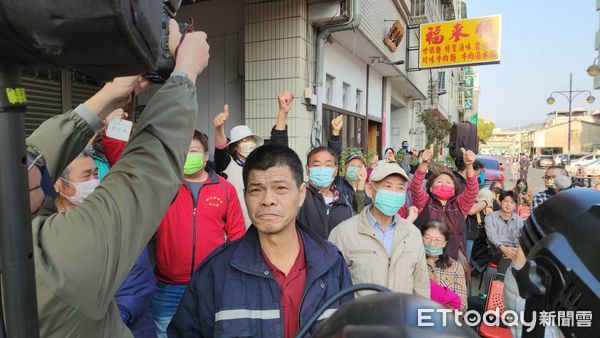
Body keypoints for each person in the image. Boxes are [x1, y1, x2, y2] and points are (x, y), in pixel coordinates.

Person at [25, 20, 210, 337]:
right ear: (59, 186)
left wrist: (110, 95)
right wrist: (185, 75)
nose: (95, 181)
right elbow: (144, 174)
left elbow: (32, 166)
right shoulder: (51, 260)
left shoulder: (25, 232)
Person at [168, 144, 354, 338]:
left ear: (301, 194)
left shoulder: (332, 265)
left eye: (280, 188)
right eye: (256, 190)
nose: (268, 200)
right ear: (245, 195)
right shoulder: (216, 271)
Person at [148, 130, 246, 337]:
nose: (187, 156)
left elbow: (237, 234)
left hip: (210, 283)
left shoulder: (224, 189)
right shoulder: (163, 187)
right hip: (168, 286)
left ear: (205, 154)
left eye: (192, 151)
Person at [54, 151, 157, 338]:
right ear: (59, 184)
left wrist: (105, 325)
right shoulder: (45, 228)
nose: (94, 181)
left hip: (126, 328)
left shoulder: (117, 220)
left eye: (96, 174)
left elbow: (136, 283)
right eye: (86, 176)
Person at [329, 161, 429, 299]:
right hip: (360, 318)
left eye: (400, 188)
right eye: (387, 186)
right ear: (370, 190)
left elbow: (421, 287)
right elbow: (332, 288)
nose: (394, 193)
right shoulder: (343, 233)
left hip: (402, 318)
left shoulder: (413, 234)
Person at [213, 90, 293, 226]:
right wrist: (219, 129)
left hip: (261, 227)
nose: (249, 143)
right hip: (235, 231)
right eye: (243, 141)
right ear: (234, 147)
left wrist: (282, 114)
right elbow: (220, 150)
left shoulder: (262, 164)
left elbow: (278, 146)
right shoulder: (227, 165)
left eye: (250, 139)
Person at [411, 145, 479, 276]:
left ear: (455, 189)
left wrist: (469, 166)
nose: (444, 184)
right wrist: (424, 163)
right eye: (439, 181)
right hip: (424, 263)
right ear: (430, 188)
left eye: (448, 182)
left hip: (452, 264)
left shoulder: (460, 205)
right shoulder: (425, 202)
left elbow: (472, 190)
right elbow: (415, 187)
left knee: (450, 296)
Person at [296, 146, 355, 239]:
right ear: (307, 169)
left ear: (335, 170)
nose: (322, 169)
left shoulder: (345, 204)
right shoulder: (299, 196)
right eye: (316, 165)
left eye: (328, 165)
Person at [421, 220, 468, 312]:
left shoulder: (456, 267)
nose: (432, 243)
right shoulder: (414, 263)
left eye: (438, 240)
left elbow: (463, 306)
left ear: (444, 243)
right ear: (421, 238)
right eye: (428, 238)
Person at [453, 158, 485, 260]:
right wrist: (486, 202)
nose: (478, 177)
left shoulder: (458, 181)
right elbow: (471, 210)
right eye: (477, 173)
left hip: (464, 230)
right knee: (463, 262)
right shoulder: (460, 185)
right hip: (465, 231)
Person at [484, 191, 524, 272]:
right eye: (506, 201)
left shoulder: (519, 220)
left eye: (512, 202)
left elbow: (520, 238)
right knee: (506, 258)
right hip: (495, 249)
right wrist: (504, 249)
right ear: (500, 202)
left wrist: (515, 251)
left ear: (515, 205)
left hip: (513, 250)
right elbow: (491, 236)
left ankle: (506, 282)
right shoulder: (490, 218)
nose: (508, 205)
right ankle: (501, 281)